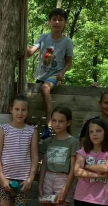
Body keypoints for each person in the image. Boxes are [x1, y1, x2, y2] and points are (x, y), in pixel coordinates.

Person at [37, 106, 79, 206]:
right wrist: (40, 185)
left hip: (63, 180)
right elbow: (43, 165)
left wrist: (65, 189)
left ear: (68, 122)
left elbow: (74, 169)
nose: (57, 124)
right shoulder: (48, 141)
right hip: (48, 179)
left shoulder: (73, 142)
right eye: (54, 120)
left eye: (61, 121)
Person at [26, 8, 73, 138]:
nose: (57, 22)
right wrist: (22, 39)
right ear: (49, 22)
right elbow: (29, 53)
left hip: (55, 75)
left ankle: (49, 123)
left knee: (45, 88)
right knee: (35, 98)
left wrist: (62, 73)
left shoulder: (67, 42)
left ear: (64, 23)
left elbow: (69, 62)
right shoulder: (43, 38)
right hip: (41, 75)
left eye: (60, 20)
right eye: (54, 19)